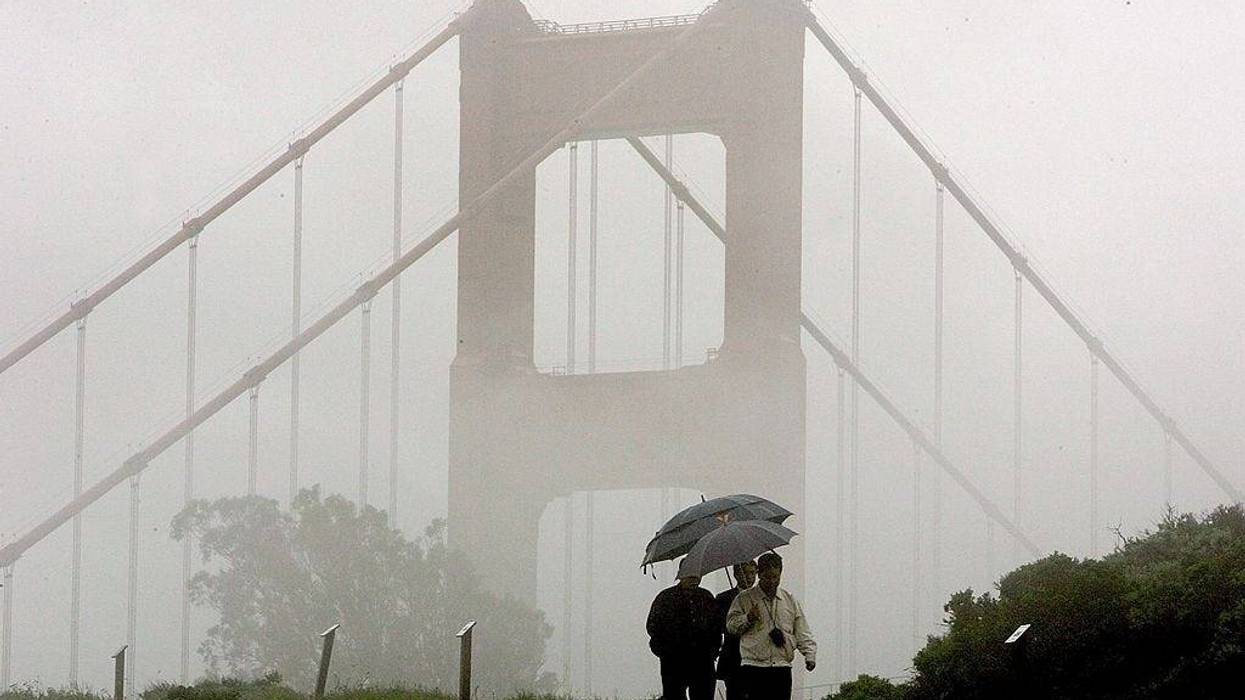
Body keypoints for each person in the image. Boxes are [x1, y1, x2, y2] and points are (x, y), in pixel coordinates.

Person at [726, 552, 816, 700]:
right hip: (753, 666)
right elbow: (731, 626)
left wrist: (809, 655)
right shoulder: (744, 599)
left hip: (782, 667)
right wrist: (748, 618)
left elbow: (801, 630)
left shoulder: (789, 600)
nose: (772, 581)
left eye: (776, 577)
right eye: (768, 577)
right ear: (759, 574)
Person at [647, 567, 721, 700]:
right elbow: (653, 627)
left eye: (697, 575)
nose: (695, 579)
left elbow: (716, 627)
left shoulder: (706, 597)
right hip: (674, 662)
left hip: (703, 661)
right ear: (681, 575)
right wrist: (665, 652)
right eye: (691, 575)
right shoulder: (666, 598)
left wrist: (712, 651)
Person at [715, 561, 758, 700]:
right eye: (746, 573)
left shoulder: (761, 597)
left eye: (753, 573)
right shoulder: (724, 599)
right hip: (734, 659)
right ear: (736, 574)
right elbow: (722, 626)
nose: (750, 577)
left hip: (757, 659)